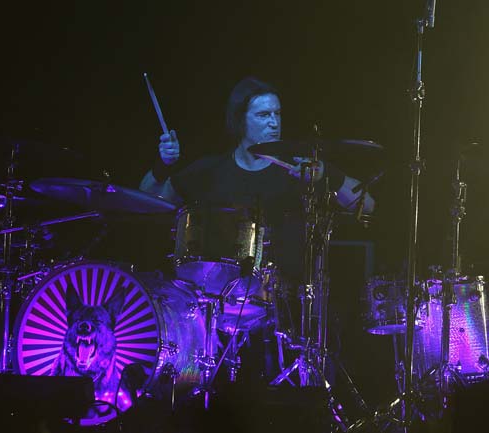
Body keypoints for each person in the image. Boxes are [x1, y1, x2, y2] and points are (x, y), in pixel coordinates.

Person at [139, 76, 374, 384]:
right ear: (240, 121)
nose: (274, 122)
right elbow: (148, 200)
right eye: (263, 115)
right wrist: (162, 165)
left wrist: (326, 175)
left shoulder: (298, 170)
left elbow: (368, 204)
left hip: (287, 308)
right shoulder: (211, 170)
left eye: (277, 114)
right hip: (216, 307)